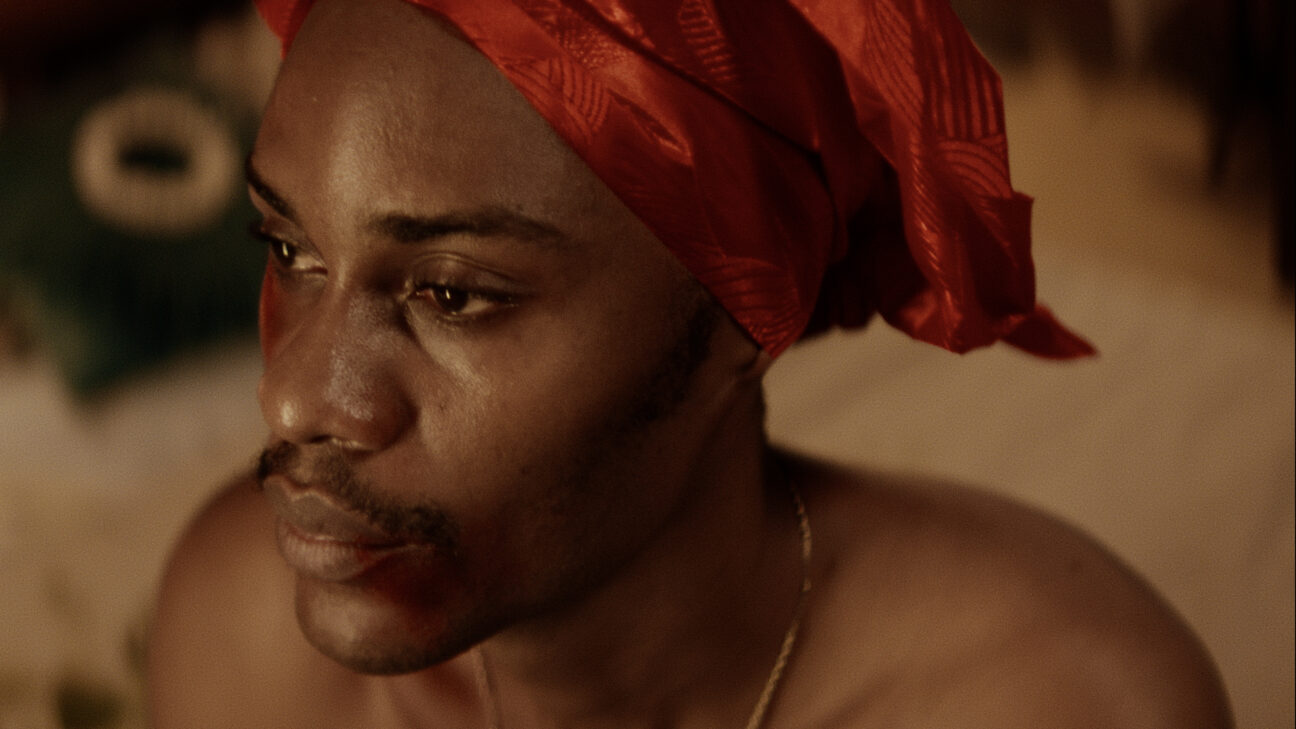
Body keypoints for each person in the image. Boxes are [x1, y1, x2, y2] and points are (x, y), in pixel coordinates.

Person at [146, 0, 1233, 727]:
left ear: (739, 323)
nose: (293, 398)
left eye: (452, 294)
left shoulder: (1058, 702)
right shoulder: (248, 641)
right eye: (290, 251)